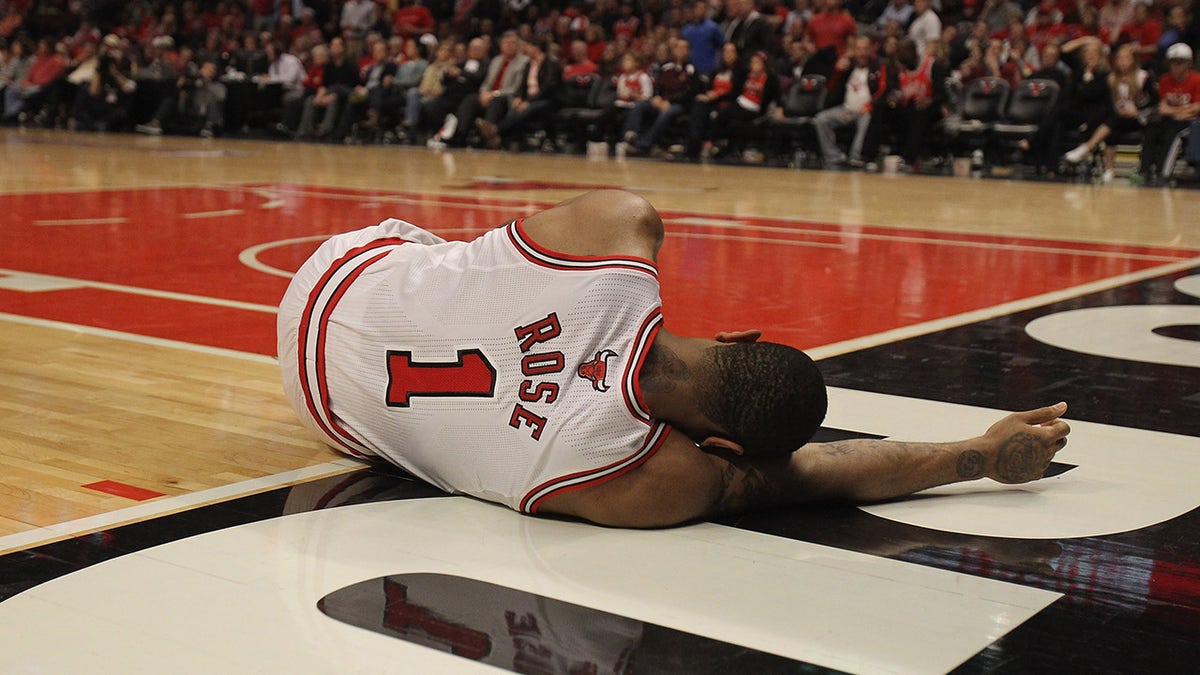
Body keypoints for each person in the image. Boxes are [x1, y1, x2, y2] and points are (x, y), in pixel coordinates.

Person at [277, 189, 1072, 528]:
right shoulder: (655, 483)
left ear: (737, 337)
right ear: (721, 445)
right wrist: (971, 454)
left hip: (336, 271)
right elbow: (819, 476)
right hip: (322, 404)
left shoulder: (621, 231)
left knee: (477, 261)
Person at [814, 35, 887, 168]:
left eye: (865, 49)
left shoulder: (878, 67)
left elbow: (883, 90)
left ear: (870, 50)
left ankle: (856, 156)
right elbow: (830, 89)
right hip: (846, 109)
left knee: (866, 117)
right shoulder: (848, 67)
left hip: (866, 110)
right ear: (853, 50)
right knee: (821, 119)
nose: (862, 53)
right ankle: (833, 156)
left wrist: (870, 105)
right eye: (859, 49)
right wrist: (837, 72)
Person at [1136, 42, 1200, 185]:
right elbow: (1163, 107)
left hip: (1191, 122)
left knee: (1174, 134)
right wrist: (1182, 110)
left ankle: (1163, 173)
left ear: (1188, 63)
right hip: (1173, 118)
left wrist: (1178, 111)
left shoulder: (1197, 79)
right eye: (1173, 63)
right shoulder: (1165, 79)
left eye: (1179, 63)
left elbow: (1197, 107)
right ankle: (1144, 170)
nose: (1175, 67)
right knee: (1151, 129)